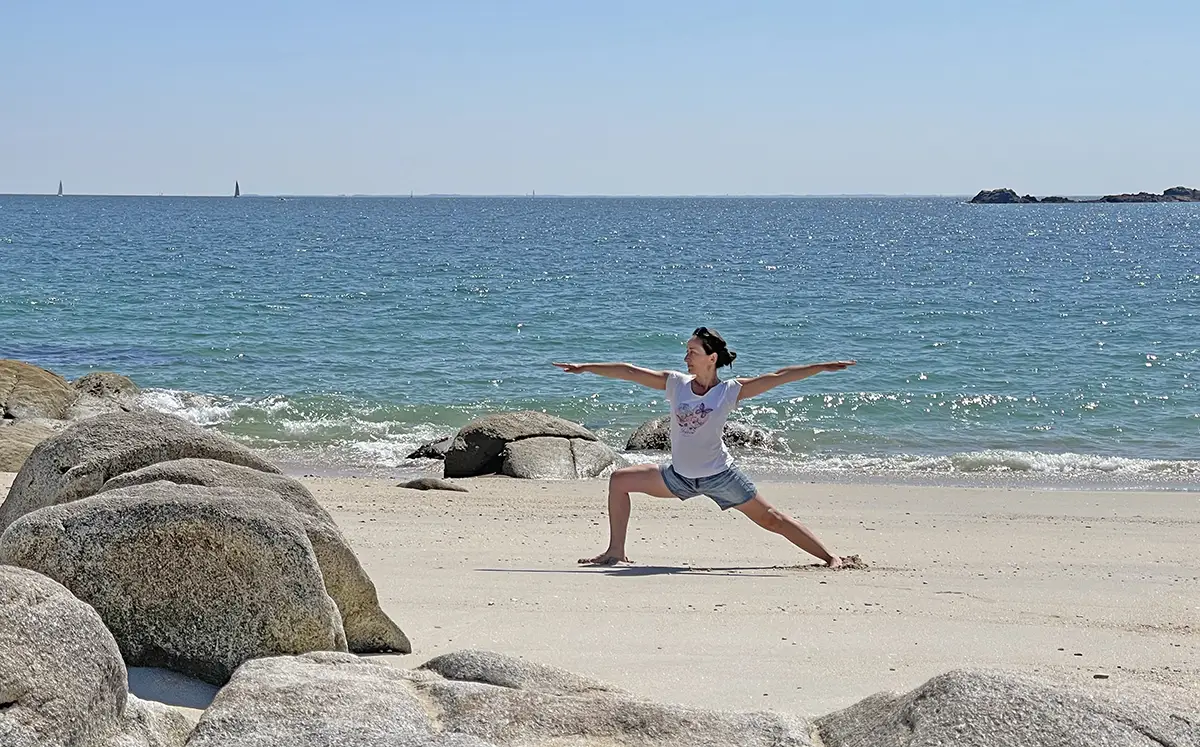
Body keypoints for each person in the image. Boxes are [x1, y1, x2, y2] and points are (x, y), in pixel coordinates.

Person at [553, 326, 855, 568]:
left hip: (720, 475)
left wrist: (822, 367)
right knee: (619, 481)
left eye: (692, 352)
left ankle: (831, 557)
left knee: (771, 519)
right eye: (686, 351)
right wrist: (585, 368)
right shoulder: (675, 383)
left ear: (711, 358)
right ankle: (615, 551)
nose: (686, 357)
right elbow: (629, 371)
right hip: (679, 477)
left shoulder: (729, 391)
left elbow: (778, 377)